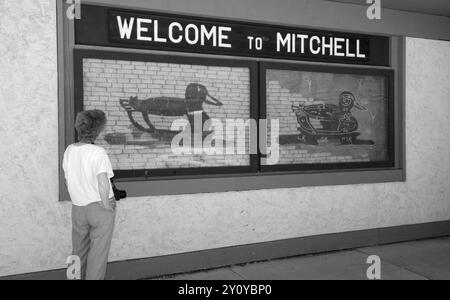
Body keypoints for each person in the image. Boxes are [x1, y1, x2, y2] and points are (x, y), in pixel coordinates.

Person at [63, 110, 117, 280]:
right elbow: (102, 183)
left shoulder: (70, 150)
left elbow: (67, 180)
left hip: (78, 207)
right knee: (98, 254)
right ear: (98, 130)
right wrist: (107, 206)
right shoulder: (98, 152)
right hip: (99, 207)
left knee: (77, 250)